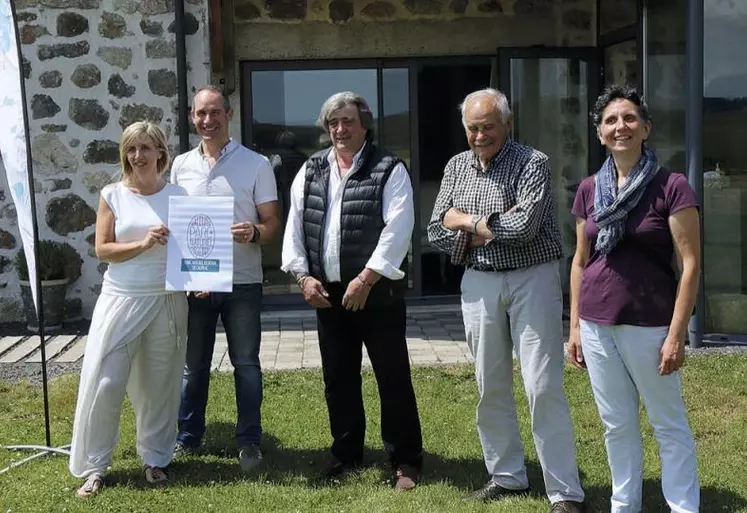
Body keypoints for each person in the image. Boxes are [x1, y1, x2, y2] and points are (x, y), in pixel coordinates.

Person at [427, 88, 585, 513]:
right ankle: (507, 476)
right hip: (479, 282)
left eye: (488, 127)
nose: (480, 135)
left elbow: (524, 228)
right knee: (488, 383)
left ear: (507, 125)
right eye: (473, 128)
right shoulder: (457, 166)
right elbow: (435, 231)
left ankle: (564, 492)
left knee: (541, 385)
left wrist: (466, 220)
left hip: (532, 278)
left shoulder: (533, 162)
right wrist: (488, 224)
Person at [280, 91, 423, 490]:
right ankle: (346, 455)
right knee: (338, 378)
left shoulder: (389, 168)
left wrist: (367, 278)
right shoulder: (311, 169)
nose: (340, 130)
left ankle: (406, 461)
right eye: (333, 123)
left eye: (347, 122)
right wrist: (302, 277)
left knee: (392, 377)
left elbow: (398, 230)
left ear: (365, 125)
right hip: (327, 293)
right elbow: (295, 225)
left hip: (377, 293)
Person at [568, 85, 701, 513]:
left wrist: (677, 334)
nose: (619, 126)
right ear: (600, 133)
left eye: (628, 118)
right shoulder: (589, 188)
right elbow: (579, 261)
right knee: (616, 424)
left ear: (646, 128)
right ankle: (624, 505)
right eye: (610, 120)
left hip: (649, 324)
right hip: (595, 323)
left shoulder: (671, 186)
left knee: (668, 423)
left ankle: (683, 506)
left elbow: (691, 265)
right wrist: (573, 327)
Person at [69, 121, 189, 497]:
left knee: (159, 384)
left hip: (167, 299)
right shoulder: (112, 194)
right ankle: (96, 465)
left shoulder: (179, 194)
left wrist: (200, 279)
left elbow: (193, 249)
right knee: (106, 383)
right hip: (121, 298)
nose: (137, 156)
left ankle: (155, 458)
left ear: (160, 153)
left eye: (145, 148)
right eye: (131, 149)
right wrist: (143, 244)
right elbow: (103, 250)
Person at [171, 85, 280, 471]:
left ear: (228, 115)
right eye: (200, 113)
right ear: (192, 117)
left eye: (215, 112)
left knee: (246, 364)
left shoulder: (256, 164)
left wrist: (253, 232)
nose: (207, 120)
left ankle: (249, 442)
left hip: (243, 282)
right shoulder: (181, 165)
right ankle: (188, 437)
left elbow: (272, 224)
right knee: (193, 365)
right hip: (197, 282)